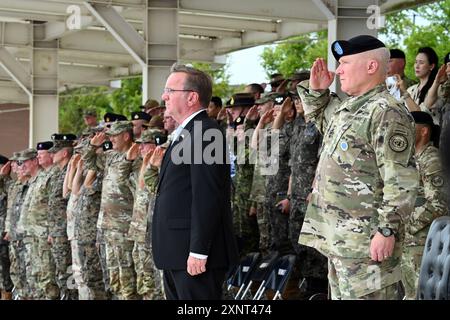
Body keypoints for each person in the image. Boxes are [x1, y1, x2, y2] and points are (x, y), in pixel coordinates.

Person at [297, 35, 419, 300]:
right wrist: (318, 93)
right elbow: (324, 123)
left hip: (367, 245)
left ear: (371, 66)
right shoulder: (351, 109)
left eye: (344, 63)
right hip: (342, 241)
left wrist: (387, 230)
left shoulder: (386, 111)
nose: (338, 70)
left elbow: (400, 179)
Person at [152, 63, 239, 300]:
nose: (164, 96)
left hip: (194, 255)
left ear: (192, 97)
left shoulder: (205, 133)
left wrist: (199, 251)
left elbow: (207, 196)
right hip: (176, 251)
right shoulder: (188, 132)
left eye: (171, 90)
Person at [401, 111, 447, 299]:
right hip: (409, 241)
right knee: (411, 292)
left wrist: (408, 225)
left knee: (422, 293)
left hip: (422, 241)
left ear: (424, 131)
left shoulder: (431, 159)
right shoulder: (411, 158)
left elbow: (439, 202)